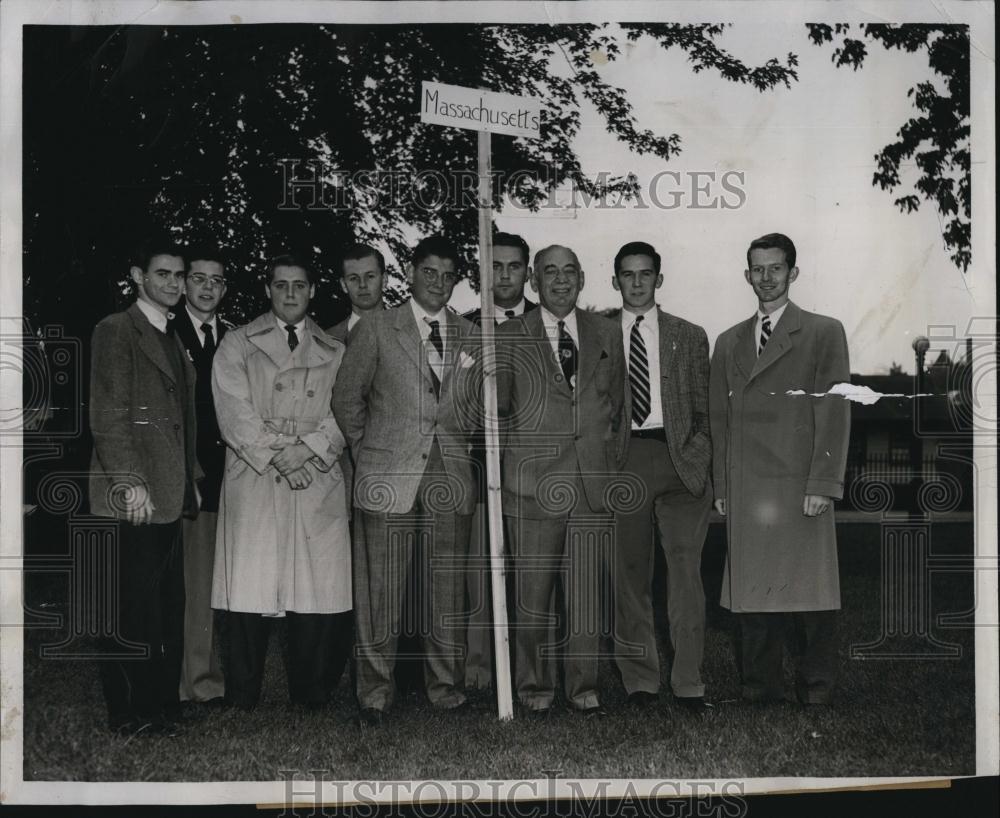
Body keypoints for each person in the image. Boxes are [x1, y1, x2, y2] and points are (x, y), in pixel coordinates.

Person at [333, 235, 479, 726]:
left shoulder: (470, 335)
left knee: (446, 590)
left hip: (450, 474)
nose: (438, 283)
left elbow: (476, 408)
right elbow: (346, 399)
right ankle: (374, 694)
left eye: (448, 275)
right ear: (411, 274)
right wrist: (370, 453)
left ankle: (446, 689)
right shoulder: (376, 327)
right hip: (387, 475)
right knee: (381, 592)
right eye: (429, 272)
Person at [709, 232, 851, 705]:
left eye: (775, 268)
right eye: (757, 269)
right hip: (748, 486)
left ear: (793, 272)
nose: (766, 277)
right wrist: (722, 484)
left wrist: (823, 483)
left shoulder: (823, 331)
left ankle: (817, 688)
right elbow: (718, 419)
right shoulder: (728, 341)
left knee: (812, 592)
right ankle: (760, 689)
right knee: (754, 592)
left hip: (800, 482)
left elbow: (833, 411)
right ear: (746, 274)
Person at [211, 254, 352, 710]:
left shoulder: (335, 350)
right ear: (267, 289)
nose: (290, 293)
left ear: (312, 291)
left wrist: (307, 449)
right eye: (281, 285)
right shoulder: (237, 342)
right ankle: (242, 694)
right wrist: (279, 456)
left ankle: (310, 694)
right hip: (256, 472)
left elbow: (348, 409)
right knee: (248, 582)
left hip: (314, 474)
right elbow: (232, 411)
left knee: (313, 585)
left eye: (299, 285)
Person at [496, 244, 627, 716]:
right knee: (533, 596)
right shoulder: (509, 335)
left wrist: (607, 468)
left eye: (569, 271)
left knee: (585, 597)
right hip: (532, 485)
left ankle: (583, 689)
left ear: (582, 278)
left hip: (591, 484)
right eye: (549, 272)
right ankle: (534, 689)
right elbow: (498, 411)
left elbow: (617, 407)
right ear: (534, 281)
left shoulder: (606, 331)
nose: (560, 280)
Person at [88, 237, 200, 735]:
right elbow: (108, 415)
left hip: (170, 494)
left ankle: (161, 705)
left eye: (179, 275)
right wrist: (130, 482)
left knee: (164, 608)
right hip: (131, 497)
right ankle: (129, 713)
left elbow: (181, 420)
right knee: (131, 609)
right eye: (163, 274)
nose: (174, 284)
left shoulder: (171, 334)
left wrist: (192, 478)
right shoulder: (117, 330)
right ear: (138, 277)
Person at [608, 241, 713, 712]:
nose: (636, 283)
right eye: (627, 274)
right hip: (625, 459)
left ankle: (689, 682)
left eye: (645, 274)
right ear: (615, 281)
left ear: (659, 279)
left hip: (679, 459)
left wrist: (698, 453)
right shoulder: (599, 334)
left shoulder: (689, 335)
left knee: (685, 574)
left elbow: (705, 407)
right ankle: (640, 682)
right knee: (630, 576)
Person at [460, 232, 538, 691]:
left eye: (514, 266)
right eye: (495, 266)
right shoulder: (465, 327)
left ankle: (533, 673)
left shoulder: (549, 324)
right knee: (479, 572)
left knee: (533, 576)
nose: (504, 275)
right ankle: (478, 671)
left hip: (534, 472)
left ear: (527, 272)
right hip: (478, 467)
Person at [168, 246, 230, 706]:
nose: (207, 287)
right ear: (184, 283)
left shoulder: (235, 337)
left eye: (216, 280)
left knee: (216, 583)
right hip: (186, 476)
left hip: (231, 477)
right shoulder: (166, 333)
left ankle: (208, 674)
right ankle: (197, 682)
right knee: (193, 583)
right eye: (199, 278)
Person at [328, 243, 386, 343]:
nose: (362, 284)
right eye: (353, 278)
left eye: (370, 276)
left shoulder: (411, 333)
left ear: (384, 280)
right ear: (344, 285)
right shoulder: (326, 341)